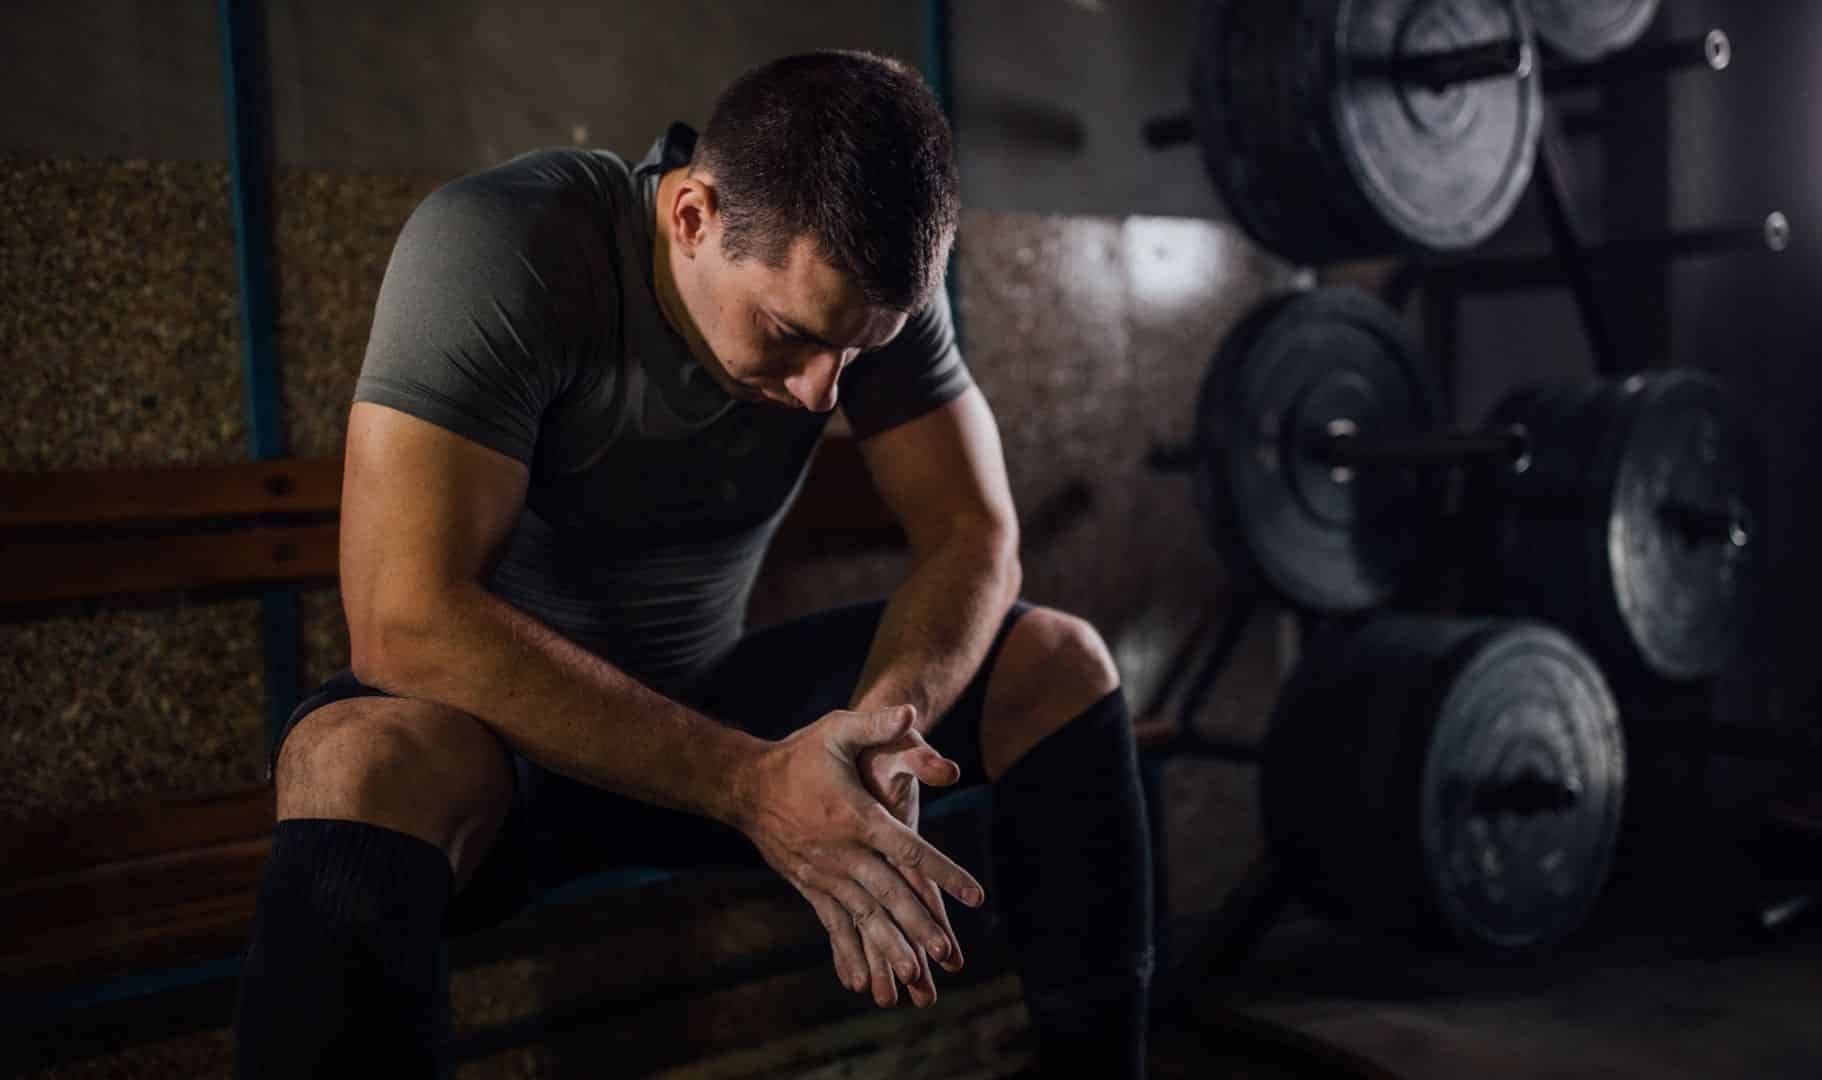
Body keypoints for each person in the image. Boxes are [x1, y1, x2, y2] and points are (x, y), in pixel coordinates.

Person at [231, 50, 1154, 1078]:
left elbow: (974, 535)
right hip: (511, 749)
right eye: (790, 334)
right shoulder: (509, 243)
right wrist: (749, 783)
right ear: (691, 217)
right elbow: (403, 620)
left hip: (716, 707)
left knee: (1057, 664)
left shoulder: (861, 289)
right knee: (354, 763)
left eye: (854, 355)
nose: (821, 395)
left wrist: (882, 732)